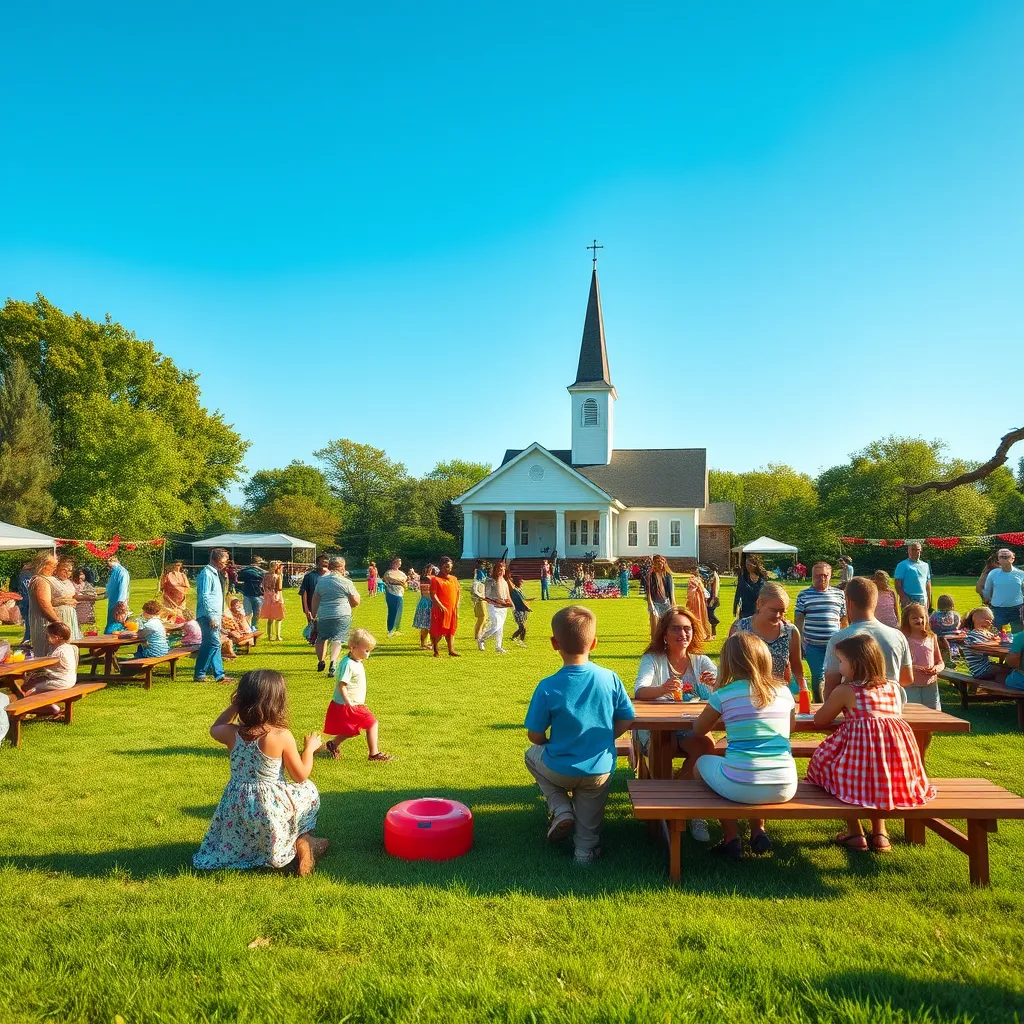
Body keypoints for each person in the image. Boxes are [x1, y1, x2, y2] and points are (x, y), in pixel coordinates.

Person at [524, 605, 635, 865]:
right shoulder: (611, 678)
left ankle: (561, 808)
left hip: (559, 767)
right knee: (590, 816)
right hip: (599, 768)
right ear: (594, 642)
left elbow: (534, 736)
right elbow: (628, 718)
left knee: (532, 756)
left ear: (554, 643)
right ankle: (584, 853)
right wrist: (608, 737)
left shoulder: (547, 686)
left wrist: (548, 743)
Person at [807, 634, 935, 853]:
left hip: (858, 761)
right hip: (893, 765)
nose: (839, 666)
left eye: (841, 661)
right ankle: (880, 833)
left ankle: (855, 832)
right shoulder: (893, 688)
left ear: (854, 664)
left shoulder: (846, 690)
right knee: (876, 779)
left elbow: (820, 721)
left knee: (829, 768)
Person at [193, 670, 327, 875]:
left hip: (237, 806)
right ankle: (304, 841)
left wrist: (235, 706)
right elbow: (300, 775)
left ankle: (258, 849)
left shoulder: (231, 733)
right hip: (270, 809)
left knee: (244, 832)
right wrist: (310, 749)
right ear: (277, 702)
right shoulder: (281, 735)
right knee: (308, 790)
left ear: (242, 699)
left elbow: (216, 727)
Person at [682, 633, 797, 859]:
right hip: (785, 784)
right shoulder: (784, 692)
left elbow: (698, 729)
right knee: (747, 767)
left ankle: (731, 837)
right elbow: (790, 729)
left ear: (728, 662)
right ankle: (758, 830)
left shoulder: (724, 695)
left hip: (740, 784)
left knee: (701, 765)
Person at [634, 606, 716, 842]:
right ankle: (665, 817)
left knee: (706, 749)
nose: (683, 634)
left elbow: (724, 690)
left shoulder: (701, 661)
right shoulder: (653, 659)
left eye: (688, 629)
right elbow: (640, 690)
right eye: (676, 629)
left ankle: (685, 807)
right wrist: (662, 689)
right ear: (665, 634)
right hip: (658, 728)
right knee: (662, 750)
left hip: (694, 726)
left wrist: (716, 683)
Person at [822, 578, 913, 700]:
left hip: (855, 711)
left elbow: (831, 683)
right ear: (875, 602)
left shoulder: (839, 639)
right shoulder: (898, 636)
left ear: (848, 602)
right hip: (891, 708)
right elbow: (907, 678)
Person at [323, 628, 393, 761]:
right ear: (353, 647)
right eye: (366, 650)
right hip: (347, 704)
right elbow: (342, 685)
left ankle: (333, 744)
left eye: (369, 651)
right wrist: (349, 702)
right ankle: (374, 754)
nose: (368, 654)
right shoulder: (348, 664)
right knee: (372, 723)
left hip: (354, 703)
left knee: (350, 730)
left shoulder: (356, 661)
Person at [731, 583, 806, 695]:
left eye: (782, 611)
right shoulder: (739, 628)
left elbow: (797, 669)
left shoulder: (790, 632)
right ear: (760, 604)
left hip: (778, 694)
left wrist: (803, 690)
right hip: (745, 694)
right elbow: (729, 664)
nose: (778, 615)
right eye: (774, 610)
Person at [795, 562, 848, 702]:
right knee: (818, 676)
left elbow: (844, 619)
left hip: (835, 646)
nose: (822, 578)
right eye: (818, 576)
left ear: (830, 576)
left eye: (825, 575)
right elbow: (799, 619)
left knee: (836, 676)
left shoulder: (839, 594)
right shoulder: (804, 595)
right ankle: (819, 704)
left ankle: (833, 703)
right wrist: (799, 640)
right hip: (813, 645)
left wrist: (845, 639)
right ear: (812, 576)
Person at [311, 556, 360, 674]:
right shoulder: (346, 582)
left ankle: (321, 660)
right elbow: (356, 602)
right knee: (338, 638)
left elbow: (315, 599)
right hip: (342, 614)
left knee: (321, 638)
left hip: (324, 614)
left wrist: (313, 615)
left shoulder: (321, 581)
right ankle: (333, 662)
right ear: (342, 568)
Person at [21, 622, 79, 714]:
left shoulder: (59, 651)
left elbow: (46, 664)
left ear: (56, 637)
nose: (46, 638)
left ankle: (50, 709)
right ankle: (48, 707)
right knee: (35, 681)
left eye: (48, 636)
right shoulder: (68, 647)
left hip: (60, 681)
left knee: (30, 692)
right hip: (70, 679)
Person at [194, 547, 233, 684]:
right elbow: (204, 596)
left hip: (214, 616)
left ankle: (219, 675)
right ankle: (200, 673)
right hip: (207, 616)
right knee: (213, 643)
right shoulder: (207, 574)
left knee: (213, 644)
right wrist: (211, 616)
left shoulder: (216, 574)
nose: (226, 562)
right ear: (215, 559)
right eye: (224, 559)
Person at [900, 603, 943, 709]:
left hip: (930, 684)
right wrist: (914, 668)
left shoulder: (931, 637)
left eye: (922, 617)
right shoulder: (904, 639)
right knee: (914, 712)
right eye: (914, 618)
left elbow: (940, 661)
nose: (919, 620)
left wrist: (936, 668)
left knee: (934, 713)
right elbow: (899, 663)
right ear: (907, 620)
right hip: (911, 684)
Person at [27, 552, 64, 657]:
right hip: (46, 624)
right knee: (47, 654)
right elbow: (44, 604)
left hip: (47, 622)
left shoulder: (38, 579)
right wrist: (58, 622)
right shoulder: (41, 581)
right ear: (44, 565)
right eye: (53, 566)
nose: (55, 569)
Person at [962, 606, 1010, 684]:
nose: (991, 623)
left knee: (1006, 668)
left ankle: (1000, 687)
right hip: (980, 670)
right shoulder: (974, 634)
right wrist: (996, 641)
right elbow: (985, 648)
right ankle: (1003, 689)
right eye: (989, 620)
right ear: (980, 620)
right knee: (1009, 670)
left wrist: (996, 638)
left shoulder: (981, 633)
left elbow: (997, 638)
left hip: (984, 666)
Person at [982, 548, 1024, 633]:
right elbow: (987, 590)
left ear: (1013, 559)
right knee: (995, 635)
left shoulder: (1021, 574)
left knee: (1018, 635)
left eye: (1007, 556)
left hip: (1017, 609)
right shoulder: (993, 573)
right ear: (998, 560)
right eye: (1001, 556)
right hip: (998, 610)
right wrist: (987, 602)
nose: (1004, 558)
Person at [478, 561, 514, 654]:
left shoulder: (505, 582)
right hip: (494, 607)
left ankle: (498, 646)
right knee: (496, 625)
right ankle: (482, 639)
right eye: (499, 569)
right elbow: (486, 595)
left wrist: (512, 605)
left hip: (503, 608)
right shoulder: (491, 581)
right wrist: (495, 601)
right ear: (496, 570)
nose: (501, 571)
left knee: (500, 627)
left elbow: (508, 596)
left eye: (503, 569)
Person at [894, 542, 931, 613]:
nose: (915, 552)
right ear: (908, 551)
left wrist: (928, 599)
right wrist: (903, 597)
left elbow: (928, 583)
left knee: (922, 620)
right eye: (913, 550)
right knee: (908, 620)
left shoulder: (925, 565)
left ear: (920, 550)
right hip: (908, 596)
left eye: (917, 550)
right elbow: (897, 584)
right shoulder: (902, 565)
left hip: (922, 597)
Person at [51, 556, 81, 639]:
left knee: (72, 639)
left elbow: (72, 595)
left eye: (70, 571)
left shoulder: (68, 582)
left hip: (71, 614)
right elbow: (48, 601)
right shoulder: (52, 581)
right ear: (56, 569)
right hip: (59, 615)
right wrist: (65, 601)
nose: (67, 573)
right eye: (64, 570)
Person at [930, 594, 964, 664]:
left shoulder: (934, 615)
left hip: (940, 637)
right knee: (954, 642)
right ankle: (955, 653)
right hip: (953, 636)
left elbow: (931, 626)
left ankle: (946, 655)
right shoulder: (955, 615)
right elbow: (958, 625)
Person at [645, 555, 675, 638]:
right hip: (655, 601)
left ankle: (666, 638)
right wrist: (650, 603)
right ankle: (654, 639)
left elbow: (671, 591)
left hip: (665, 601)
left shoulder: (668, 576)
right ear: (655, 564)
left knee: (667, 621)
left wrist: (673, 603)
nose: (660, 565)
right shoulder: (651, 575)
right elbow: (649, 590)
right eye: (657, 563)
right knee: (654, 622)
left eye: (661, 563)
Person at [300, 555, 330, 635]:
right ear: (317, 564)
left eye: (326, 562)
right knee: (314, 627)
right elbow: (304, 593)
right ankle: (314, 640)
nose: (324, 564)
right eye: (322, 562)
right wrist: (307, 610)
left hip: (328, 606)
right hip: (313, 607)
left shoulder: (332, 576)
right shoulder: (309, 576)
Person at [236, 556, 266, 628]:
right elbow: (240, 576)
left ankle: (253, 626)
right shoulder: (249, 571)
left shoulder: (260, 571)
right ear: (257, 563)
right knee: (249, 613)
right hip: (250, 595)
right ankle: (249, 626)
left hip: (256, 594)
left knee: (256, 613)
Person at [733, 555, 766, 619]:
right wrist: (735, 607)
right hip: (745, 609)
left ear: (755, 565)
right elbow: (738, 592)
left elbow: (764, 592)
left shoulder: (761, 577)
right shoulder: (743, 577)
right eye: (746, 564)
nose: (748, 567)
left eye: (750, 565)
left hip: (758, 608)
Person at [382, 557, 408, 638]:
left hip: (400, 593)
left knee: (399, 611)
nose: (400, 563)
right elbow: (387, 579)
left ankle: (397, 628)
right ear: (394, 563)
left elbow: (405, 579)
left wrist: (403, 583)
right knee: (393, 611)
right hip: (392, 593)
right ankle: (390, 629)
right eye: (398, 562)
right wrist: (399, 582)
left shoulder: (401, 573)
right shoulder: (388, 572)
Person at [412, 565, 436, 649]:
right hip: (428, 603)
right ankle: (428, 643)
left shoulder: (423, 578)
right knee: (428, 625)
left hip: (424, 602)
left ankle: (426, 643)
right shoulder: (428, 579)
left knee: (426, 625)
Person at [261, 561, 286, 642]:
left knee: (270, 618)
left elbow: (263, 586)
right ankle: (277, 636)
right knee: (279, 617)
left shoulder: (265, 575)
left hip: (267, 596)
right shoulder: (277, 576)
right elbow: (279, 588)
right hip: (276, 596)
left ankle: (269, 636)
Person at [104, 556, 130, 629]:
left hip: (119, 602)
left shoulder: (121, 571)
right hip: (114, 600)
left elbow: (123, 588)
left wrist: (121, 603)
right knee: (114, 619)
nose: (109, 568)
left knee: (117, 620)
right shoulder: (115, 571)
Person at [509, 576, 534, 646]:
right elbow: (521, 600)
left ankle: (520, 640)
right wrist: (527, 607)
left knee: (523, 628)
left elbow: (524, 600)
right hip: (518, 610)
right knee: (522, 627)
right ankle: (515, 638)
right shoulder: (514, 591)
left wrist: (530, 600)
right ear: (517, 582)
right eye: (521, 581)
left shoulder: (519, 590)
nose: (522, 583)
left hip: (523, 610)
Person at [15, 560, 33, 643]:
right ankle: (27, 638)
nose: (24, 565)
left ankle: (28, 638)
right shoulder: (23, 574)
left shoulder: (25, 574)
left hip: (27, 600)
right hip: (26, 600)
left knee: (28, 620)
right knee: (28, 620)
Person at [705, 562, 721, 636]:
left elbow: (715, 588)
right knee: (709, 613)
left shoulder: (714, 576)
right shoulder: (712, 575)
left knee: (709, 613)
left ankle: (715, 622)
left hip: (712, 598)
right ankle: (712, 630)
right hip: (711, 597)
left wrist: (713, 599)